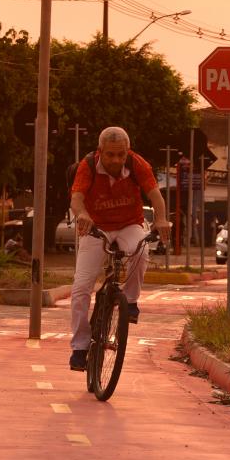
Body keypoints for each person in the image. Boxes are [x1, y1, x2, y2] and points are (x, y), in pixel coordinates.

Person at [68, 126, 170, 371]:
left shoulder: (138, 165)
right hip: (96, 227)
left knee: (140, 251)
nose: (116, 160)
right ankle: (80, 347)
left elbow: (155, 196)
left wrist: (161, 219)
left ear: (127, 152)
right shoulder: (88, 165)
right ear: (100, 151)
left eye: (121, 155)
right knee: (81, 288)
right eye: (110, 155)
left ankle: (131, 301)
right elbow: (77, 198)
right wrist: (82, 214)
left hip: (128, 224)